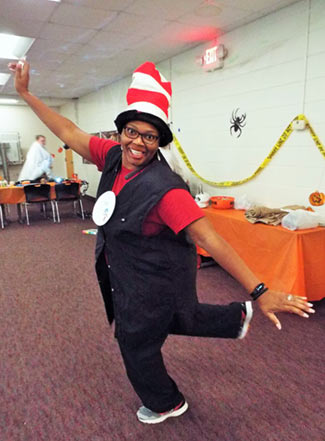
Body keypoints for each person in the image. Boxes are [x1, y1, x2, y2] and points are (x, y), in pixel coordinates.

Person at [9, 60, 314, 424]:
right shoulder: (110, 157)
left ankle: (167, 402)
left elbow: (211, 239)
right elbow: (69, 130)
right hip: (131, 269)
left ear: (159, 142)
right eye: (132, 132)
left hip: (156, 278)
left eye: (149, 136)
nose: (138, 142)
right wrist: (26, 94)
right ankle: (235, 318)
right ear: (120, 132)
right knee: (172, 316)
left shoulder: (167, 190)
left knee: (135, 341)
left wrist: (260, 290)